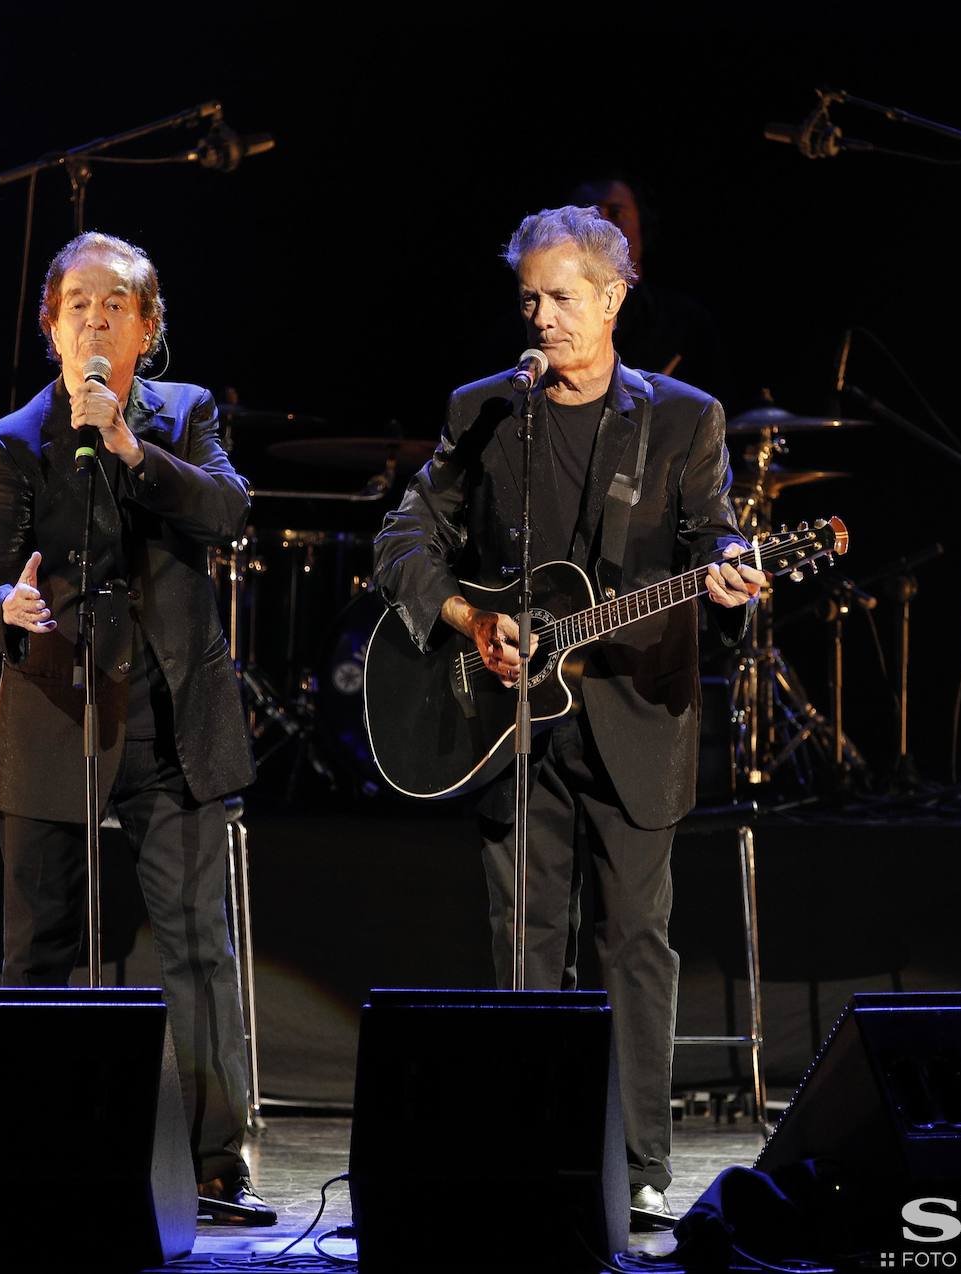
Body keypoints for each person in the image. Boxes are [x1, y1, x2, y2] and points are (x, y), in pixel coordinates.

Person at [371, 206, 764, 1228]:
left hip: (638, 710)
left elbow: (716, 532)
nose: (541, 316)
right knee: (522, 937)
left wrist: (730, 571)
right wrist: (466, 614)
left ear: (613, 296)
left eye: (560, 297)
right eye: (530, 299)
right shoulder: (491, 410)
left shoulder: (684, 417)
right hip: (512, 721)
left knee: (636, 937)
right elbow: (405, 536)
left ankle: (638, 1162)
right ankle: (524, 1142)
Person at [0, 231, 274, 1225]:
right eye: (78, 306)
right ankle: (32, 1139)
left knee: (196, 944)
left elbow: (230, 510)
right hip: (55, 707)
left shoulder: (187, 417)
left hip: (171, 721)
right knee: (36, 947)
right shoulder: (12, 437)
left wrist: (135, 452)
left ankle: (216, 1160)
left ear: (150, 329)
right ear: (50, 322)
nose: (95, 321)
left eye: (116, 307)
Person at [570, 176, 733, 404]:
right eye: (589, 215)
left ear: (643, 225)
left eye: (615, 213)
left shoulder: (686, 323)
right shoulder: (539, 322)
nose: (601, 227)